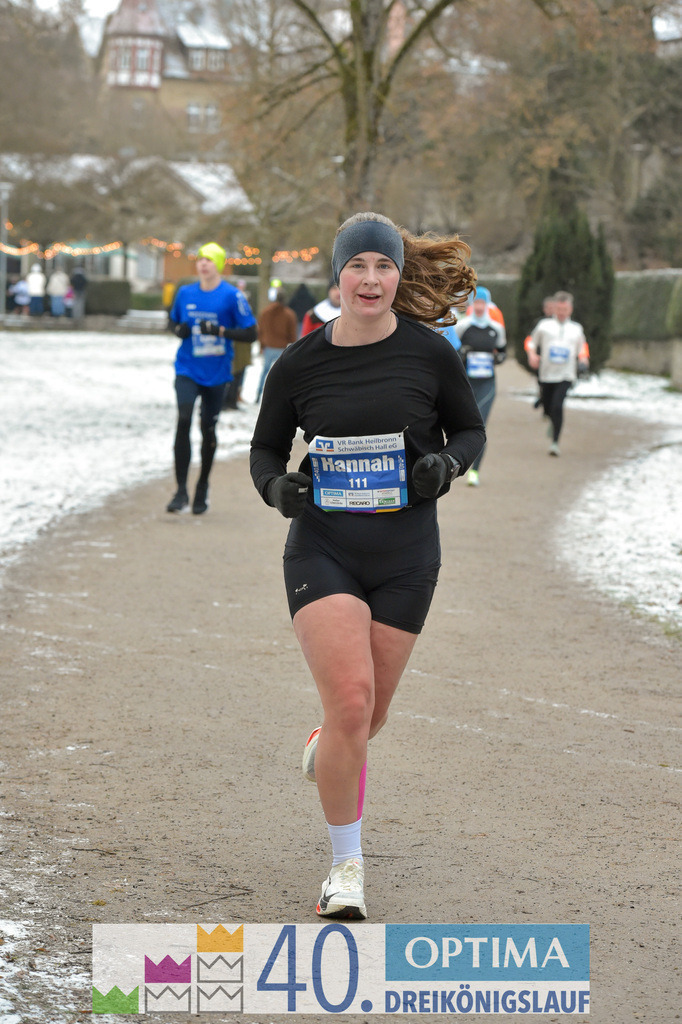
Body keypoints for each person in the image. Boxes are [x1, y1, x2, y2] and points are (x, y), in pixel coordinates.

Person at [250, 212, 485, 920]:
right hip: (325, 547)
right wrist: (277, 488)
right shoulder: (300, 363)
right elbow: (265, 450)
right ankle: (345, 867)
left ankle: (329, 742)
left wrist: (446, 464)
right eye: (358, 267)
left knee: (366, 715)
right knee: (352, 700)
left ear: (397, 276)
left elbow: (469, 429)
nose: (372, 279)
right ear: (338, 276)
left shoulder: (430, 354)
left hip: (407, 555)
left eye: (384, 267)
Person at [167, 242, 257, 514]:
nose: (203, 263)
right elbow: (172, 322)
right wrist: (179, 330)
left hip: (217, 372)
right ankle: (181, 490)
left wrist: (220, 332)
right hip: (187, 368)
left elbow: (250, 333)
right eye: (200, 259)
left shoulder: (232, 296)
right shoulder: (185, 293)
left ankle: (202, 486)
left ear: (217, 264)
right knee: (183, 419)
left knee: (207, 428)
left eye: (209, 259)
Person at [453, 285, 507, 486]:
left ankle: (474, 471)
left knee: (481, 427)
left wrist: (497, 358)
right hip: (465, 384)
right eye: (475, 302)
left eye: (482, 303)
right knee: (463, 426)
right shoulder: (462, 326)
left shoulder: (496, 329)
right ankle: (460, 462)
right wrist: (463, 354)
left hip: (487, 384)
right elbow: (453, 354)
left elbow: (503, 353)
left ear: (488, 304)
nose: (479, 306)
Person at [526, 290, 589, 456]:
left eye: (565, 310)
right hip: (547, 374)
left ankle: (555, 442)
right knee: (548, 407)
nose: (562, 313)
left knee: (557, 405)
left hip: (566, 374)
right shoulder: (544, 326)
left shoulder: (576, 329)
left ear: (570, 310)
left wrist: (583, 359)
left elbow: (582, 347)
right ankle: (550, 418)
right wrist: (532, 354)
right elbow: (531, 342)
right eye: (559, 309)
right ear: (555, 309)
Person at [255, 288, 298, 402]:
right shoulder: (289, 314)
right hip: (281, 348)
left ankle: (258, 395)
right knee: (281, 375)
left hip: (268, 346)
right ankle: (279, 399)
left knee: (264, 372)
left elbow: (260, 331)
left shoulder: (265, 312)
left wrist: (261, 345)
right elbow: (292, 334)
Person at [524, 295, 556, 409]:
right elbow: (530, 339)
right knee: (542, 382)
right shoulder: (539, 323)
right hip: (541, 358)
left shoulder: (562, 324)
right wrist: (531, 354)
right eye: (548, 307)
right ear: (544, 309)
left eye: (553, 307)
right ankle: (543, 399)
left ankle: (546, 401)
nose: (551, 310)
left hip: (555, 360)